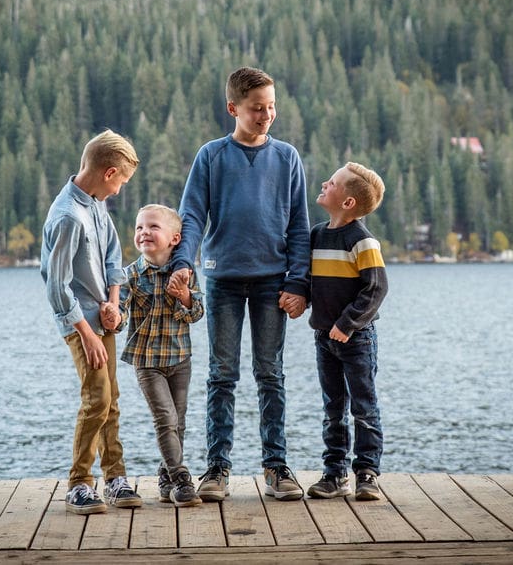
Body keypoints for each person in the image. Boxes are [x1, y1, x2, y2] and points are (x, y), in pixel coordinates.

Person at [170, 66, 310, 502]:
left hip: (274, 282)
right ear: (233, 108)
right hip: (224, 280)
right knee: (222, 375)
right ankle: (217, 468)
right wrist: (182, 261)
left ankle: (275, 466)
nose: (266, 114)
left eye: (271, 107)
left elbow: (300, 228)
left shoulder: (287, 158)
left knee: (271, 374)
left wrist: (299, 282)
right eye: (256, 108)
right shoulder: (211, 156)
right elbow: (191, 215)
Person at [40, 129, 143, 515]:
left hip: (103, 318)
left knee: (111, 399)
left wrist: (114, 304)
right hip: (79, 324)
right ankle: (80, 483)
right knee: (96, 398)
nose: (120, 191)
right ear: (109, 172)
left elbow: (114, 258)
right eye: (122, 183)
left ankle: (115, 478)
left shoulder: (97, 205)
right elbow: (56, 286)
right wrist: (86, 332)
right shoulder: (68, 216)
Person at [304, 162, 388, 501]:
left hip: (357, 340)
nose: (325, 183)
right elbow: (311, 281)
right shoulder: (317, 235)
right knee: (332, 408)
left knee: (363, 406)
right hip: (324, 339)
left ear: (348, 202)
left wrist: (346, 324)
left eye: (334, 182)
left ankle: (366, 472)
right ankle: (334, 473)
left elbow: (376, 289)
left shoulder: (362, 241)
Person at [120, 204, 205, 507]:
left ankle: (165, 476)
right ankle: (182, 479)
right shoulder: (130, 275)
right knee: (165, 419)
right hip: (147, 363)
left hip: (180, 359)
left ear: (174, 239)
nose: (144, 232)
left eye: (153, 227)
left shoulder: (184, 273)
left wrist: (183, 295)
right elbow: (118, 308)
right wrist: (112, 316)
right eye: (139, 227)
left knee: (178, 421)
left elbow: (196, 313)